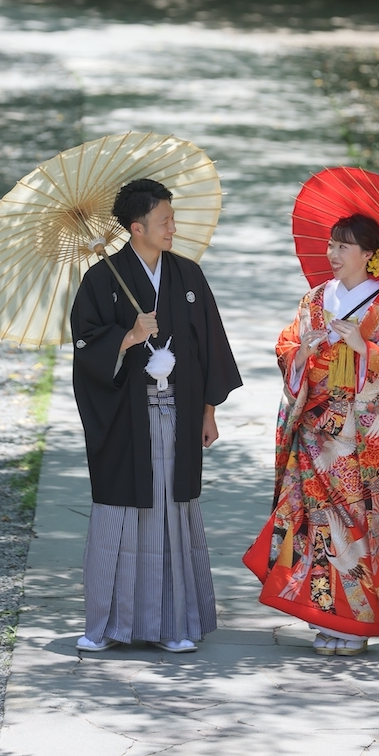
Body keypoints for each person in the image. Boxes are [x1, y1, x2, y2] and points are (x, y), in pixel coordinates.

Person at [71, 177, 242, 654]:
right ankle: (104, 624)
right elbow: (85, 349)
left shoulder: (188, 277)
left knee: (172, 513)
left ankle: (174, 624)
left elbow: (211, 349)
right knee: (119, 515)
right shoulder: (101, 280)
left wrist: (208, 411)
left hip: (179, 415)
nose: (172, 228)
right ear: (136, 227)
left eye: (172, 219)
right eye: (165, 221)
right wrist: (128, 335)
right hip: (126, 419)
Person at [243, 213, 379, 656]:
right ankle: (325, 615)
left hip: (361, 439)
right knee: (316, 523)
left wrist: (365, 349)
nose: (333, 255)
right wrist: (301, 352)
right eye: (331, 245)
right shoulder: (314, 300)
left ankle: (358, 621)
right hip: (315, 429)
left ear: (369, 255)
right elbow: (286, 347)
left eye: (344, 247)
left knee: (359, 523)